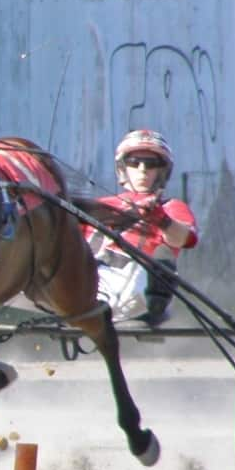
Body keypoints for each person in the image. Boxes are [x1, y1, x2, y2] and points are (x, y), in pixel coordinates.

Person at [87, 129, 199, 325]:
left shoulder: (170, 207)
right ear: (123, 168)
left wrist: (161, 220)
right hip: (86, 274)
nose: (142, 169)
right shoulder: (99, 205)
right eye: (134, 162)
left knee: (161, 256)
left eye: (151, 164)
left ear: (162, 171)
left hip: (135, 285)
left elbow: (184, 240)